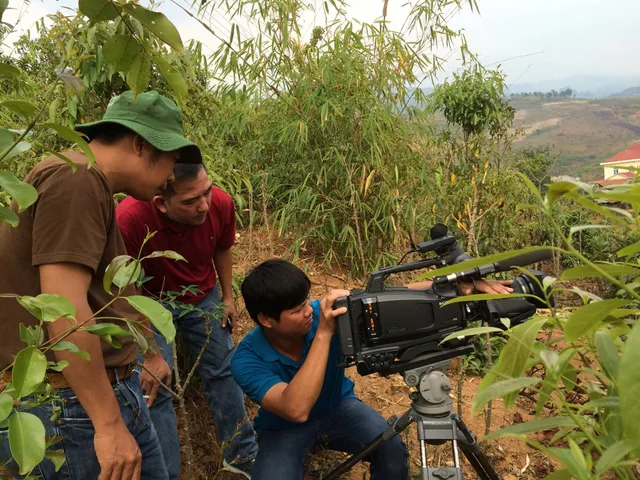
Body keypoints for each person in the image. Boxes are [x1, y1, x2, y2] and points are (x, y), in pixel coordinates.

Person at [0, 89, 202, 479]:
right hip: (71, 404)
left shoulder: (85, 180)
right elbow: (64, 310)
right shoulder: (75, 180)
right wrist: (108, 425)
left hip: (93, 395)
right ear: (142, 144)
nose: (171, 178)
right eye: (172, 162)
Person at [230, 258, 513, 480]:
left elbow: (390, 300)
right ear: (266, 320)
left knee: (391, 450)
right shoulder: (246, 359)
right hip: (284, 429)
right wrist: (324, 334)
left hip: (339, 408)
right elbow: (296, 409)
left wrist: (460, 288)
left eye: (307, 302)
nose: (308, 312)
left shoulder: (318, 313)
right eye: (296, 310)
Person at [116, 163, 258, 479]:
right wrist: (151, 353)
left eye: (206, 192)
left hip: (202, 295)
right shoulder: (129, 219)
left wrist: (227, 297)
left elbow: (222, 246)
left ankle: (242, 457)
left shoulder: (219, 202)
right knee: (156, 386)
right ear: (161, 203)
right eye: (190, 201)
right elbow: (127, 291)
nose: (204, 205)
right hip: (149, 300)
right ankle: (166, 472)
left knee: (224, 368)